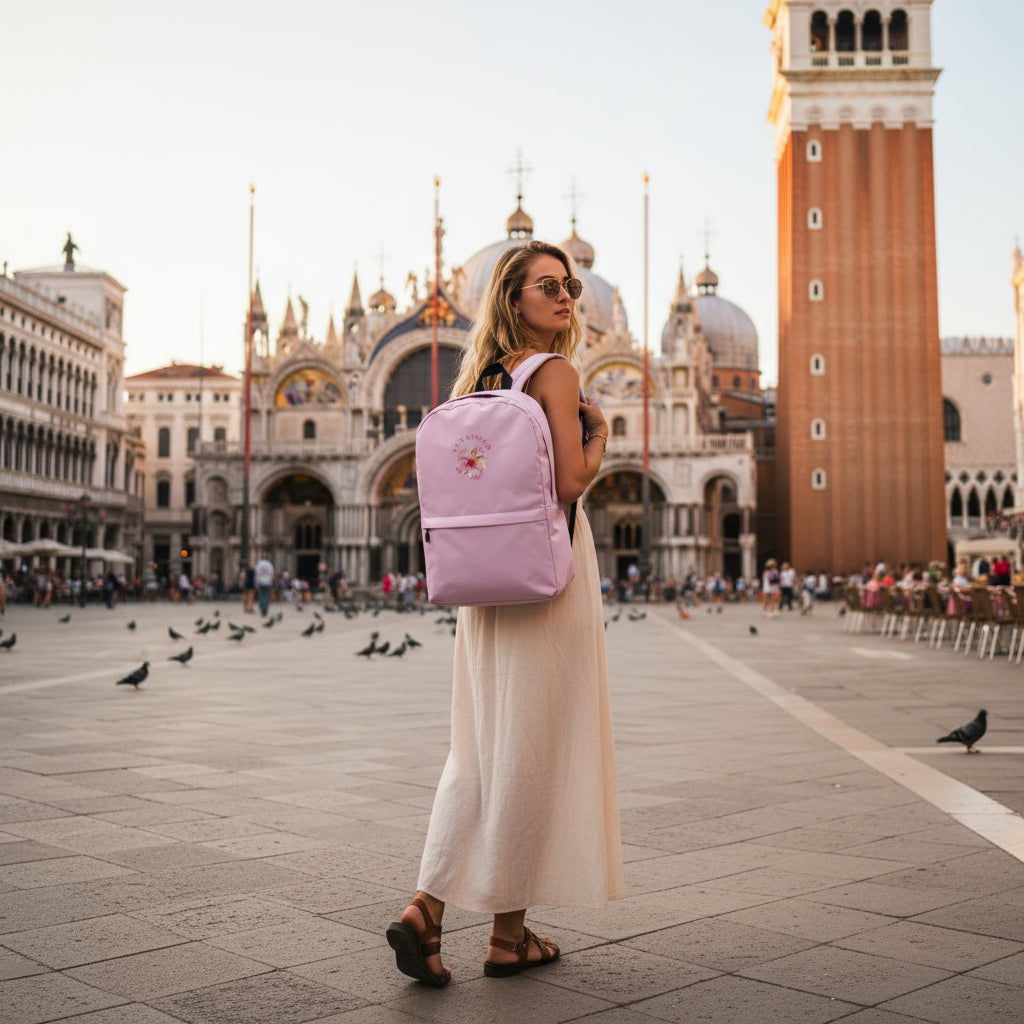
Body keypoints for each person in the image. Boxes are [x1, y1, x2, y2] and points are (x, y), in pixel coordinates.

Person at [387, 240, 623, 987]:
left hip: (482, 585)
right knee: (533, 749)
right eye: (547, 286)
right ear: (513, 298)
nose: (565, 298)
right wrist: (601, 439)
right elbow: (567, 481)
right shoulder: (554, 371)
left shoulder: (474, 378)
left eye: (571, 286)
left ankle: (439, 913)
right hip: (546, 577)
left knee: (482, 751)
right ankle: (498, 933)